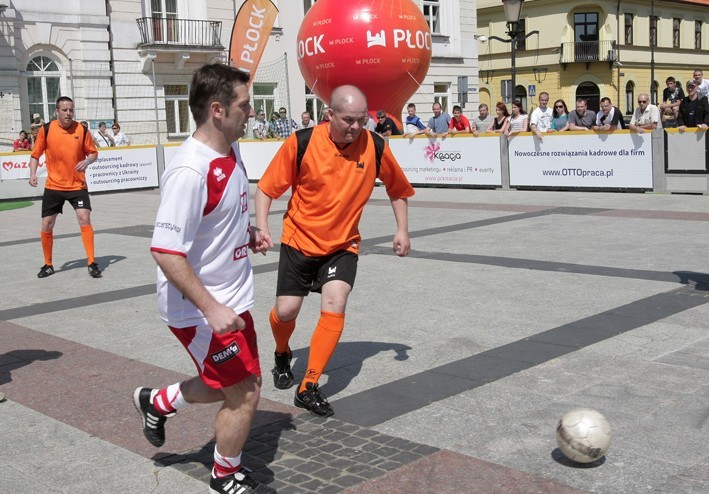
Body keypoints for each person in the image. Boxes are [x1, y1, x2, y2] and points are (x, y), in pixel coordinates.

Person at [132, 64, 274, 494]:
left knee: (232, 383)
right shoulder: (189, 171)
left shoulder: (229, 147)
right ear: (217, 110)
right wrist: (210, 308)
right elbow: (165, 250)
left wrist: (244, 233)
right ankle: (224, 474)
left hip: (233, 298)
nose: (251, 113)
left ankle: (158, 402)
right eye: (244, 106)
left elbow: (215, 218)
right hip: (198, 310)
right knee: (244, 392)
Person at [254, 84, 415, 418]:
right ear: (329, 115)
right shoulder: (301, 142)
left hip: (342, 245)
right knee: (286, 312)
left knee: (335, 303)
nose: (355, 127)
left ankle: (308, 386)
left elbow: (398, 190)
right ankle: (282, 353)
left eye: (361, 120)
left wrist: (402, 229)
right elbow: (266, 189)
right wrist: (263, 227)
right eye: (347, 120)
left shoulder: (375, 146)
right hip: (299, 241)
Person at [28, 96, 101, 279]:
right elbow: (35, 155)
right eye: (65, 110)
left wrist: (87, 161)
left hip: (77, 185)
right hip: (54, 186)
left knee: (84, 217)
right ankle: (48, 264)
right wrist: (33, 174)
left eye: (71, 110)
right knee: (47, 224)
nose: (69, 113)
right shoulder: (46, 130)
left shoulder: (82, 130)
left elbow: (93, 153)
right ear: (57, 112)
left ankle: (92, 262)